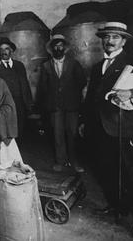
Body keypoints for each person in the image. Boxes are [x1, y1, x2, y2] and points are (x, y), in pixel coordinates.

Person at [81, 22, 133, 238]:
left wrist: (132, 94)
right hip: (100, 128)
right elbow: (92, 99)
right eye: (106, 37)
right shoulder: (98, 66)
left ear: (123, 41)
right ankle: (117, 207)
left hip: (125, 128)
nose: (109, 41)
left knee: (132, 176)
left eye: (115, 37)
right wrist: (84, 122)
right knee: (106, 171)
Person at [37, 34, 87, 173]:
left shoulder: (74, 64)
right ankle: (60, 161)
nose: (58, 48)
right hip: (55, 106)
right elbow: (43, 87)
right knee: (57, 134)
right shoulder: (46, 66)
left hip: (72, 106)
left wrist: (72, 94)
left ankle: (74, 161)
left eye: (60, 45)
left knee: (72, 133)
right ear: (52, 48)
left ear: (64, 48)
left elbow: (82, 81)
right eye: (55, 46)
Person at [0, 37, 33, 137]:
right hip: (5, 103)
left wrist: (28, 103)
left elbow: (25, 85)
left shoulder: (19, 65)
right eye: (1, 49)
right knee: (8, 128)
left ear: (11, 50)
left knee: (20, 127)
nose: (4, 52)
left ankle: (20, 150)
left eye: (6, 49)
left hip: (20, 103)